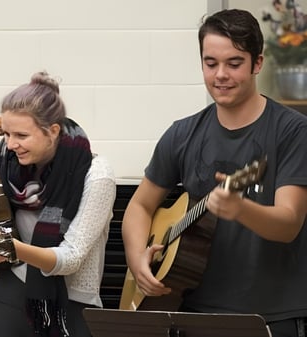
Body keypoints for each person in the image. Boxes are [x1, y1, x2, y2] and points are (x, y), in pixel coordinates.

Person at [121, 9, 307, 337]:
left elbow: (289, 223)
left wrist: (241, 208)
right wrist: (138, 260)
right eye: (210, 63)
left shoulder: (291, 131)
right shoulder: (182, 133)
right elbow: (139, 206)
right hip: (190, 311)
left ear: (257, 64)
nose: (220, 74)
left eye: (234, 63)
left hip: (271, 315)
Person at [0, 71, 116, 337]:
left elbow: (71, 258)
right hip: (11, 289)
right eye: (6, 133)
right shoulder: (8, 156)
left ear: (52, 131)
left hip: (73, 303)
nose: (10, 144)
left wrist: (10, 248)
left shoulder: (97, 175)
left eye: (21, 135)